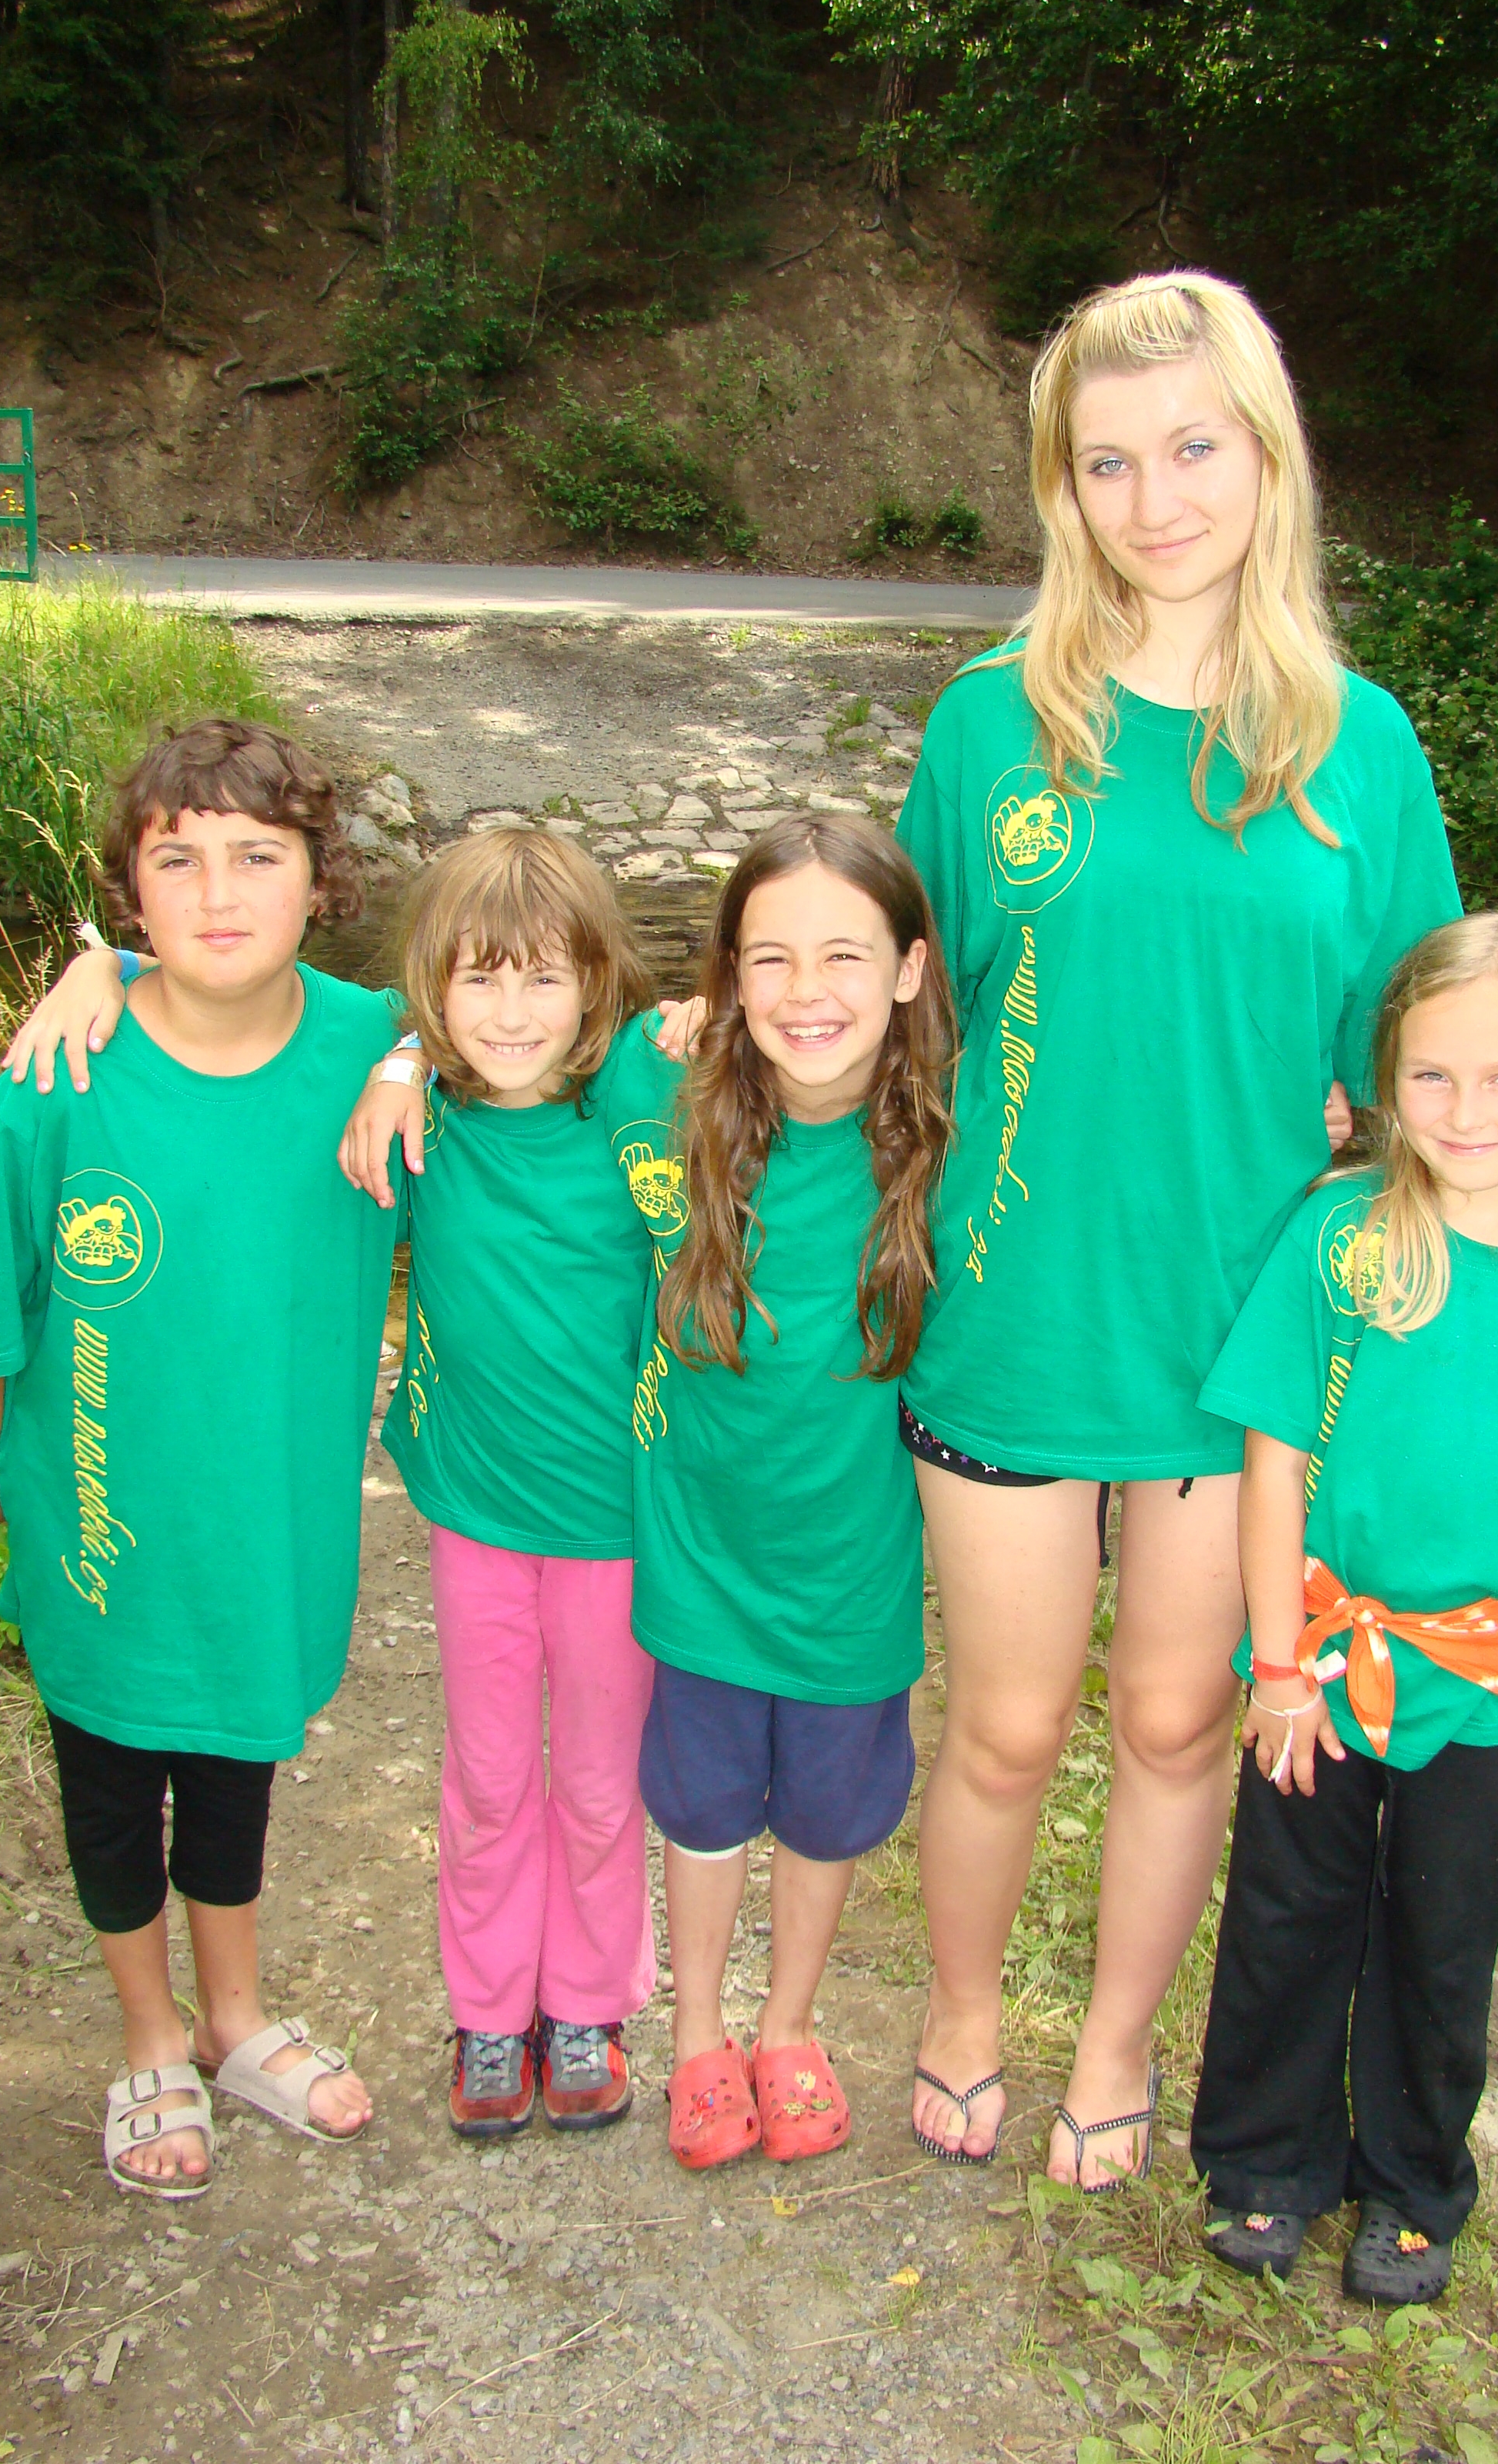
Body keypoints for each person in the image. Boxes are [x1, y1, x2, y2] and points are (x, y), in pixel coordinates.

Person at [889, 270, 1498, 2185]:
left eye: (1195, 448)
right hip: (1015, 1320)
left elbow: (1447, 1053)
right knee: (1003, 1726)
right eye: (1109, 462)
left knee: (1182, 1723)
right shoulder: (992, 725)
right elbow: (884, 1003)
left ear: (1267, 457)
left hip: (1249, 1354)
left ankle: (1116, 2051)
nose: (1156, 498)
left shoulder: (1360, 746)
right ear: (1062, 488)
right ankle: (958, 2012)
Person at [1188, 911, 1498, 2301]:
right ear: (1388, 1077)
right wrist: (1276, 1664)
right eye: (1431, 1076)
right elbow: (1273, 1457)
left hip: (1494, 1676)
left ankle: (1415, 2182)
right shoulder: (1342, 1233)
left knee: (1444, 1934)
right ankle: (1264, 2164)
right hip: (1322, 1655)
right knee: (1288, 1914)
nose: (1465, 1113)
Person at [0, 722, 394, 2196]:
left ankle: (234, 2018)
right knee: (111, 1766)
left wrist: (411, 1059)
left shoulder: (369, 1043)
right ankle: (148, 2033)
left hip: (268, 1517)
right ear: (129, 891)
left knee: (235, 1753)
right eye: (176, 860)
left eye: (259, 858)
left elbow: (534, 1027)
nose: (219, 894)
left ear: (320, 880)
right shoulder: (59, 1073)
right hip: (99, 1516)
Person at [598, 814, 954, 2169]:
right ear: (728, 975)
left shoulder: (957, 1141)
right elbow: (492, 1031)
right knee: (699, 1809)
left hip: (854, 1572)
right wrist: (402, 1064)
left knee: (826, 1812)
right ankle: (698, 2034)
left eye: (845, 955)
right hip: (701, 1562)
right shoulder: (664, 1096)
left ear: (910, 969)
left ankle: (788, 2025)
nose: (808, 991)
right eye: (770, 958)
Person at [359, 829, 660, 2140]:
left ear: (598, 985)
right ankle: (489, 2010)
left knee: (598, 1780)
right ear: (433, 986)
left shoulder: (635, 1101)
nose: (512, 1013)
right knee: (488, 1775)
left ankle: (585, 2000)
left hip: (616, 1519)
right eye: (477, 980)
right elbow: (262, 997)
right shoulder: (427, 1111)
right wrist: (400, 1056)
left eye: (545, 978)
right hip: (476, 1510)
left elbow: (758, 1041)